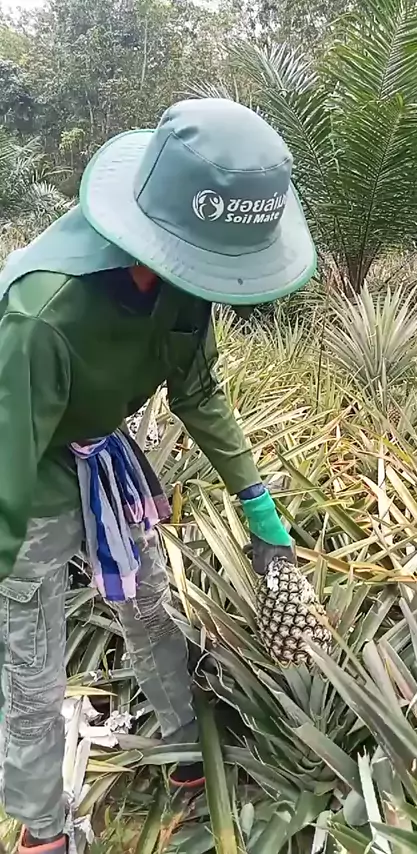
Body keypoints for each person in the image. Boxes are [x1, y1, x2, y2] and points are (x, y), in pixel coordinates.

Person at [0, 97, 316, 853]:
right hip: (27, 471)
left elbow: (197, 392)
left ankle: (184, 749)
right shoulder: (42, 314)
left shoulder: (186, 285)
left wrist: (258, 507)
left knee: (149, 607)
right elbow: (8, 459)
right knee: (32, 666)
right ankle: (42, 829)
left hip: (103, 457)